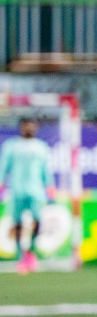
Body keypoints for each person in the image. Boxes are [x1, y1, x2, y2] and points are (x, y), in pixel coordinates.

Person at [1, 116, 54, 273]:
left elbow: (46, 169)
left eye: (32, 126)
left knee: (37, 221)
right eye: (26, 126)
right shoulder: (11, 146)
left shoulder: (41, 147)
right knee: (17, 223)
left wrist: (49, 185)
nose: (29, 129)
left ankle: (30, 250)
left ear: (36, 128)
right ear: (21, 127)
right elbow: (4, 167)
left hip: (36, 190)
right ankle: (20, 255)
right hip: (17, 189)